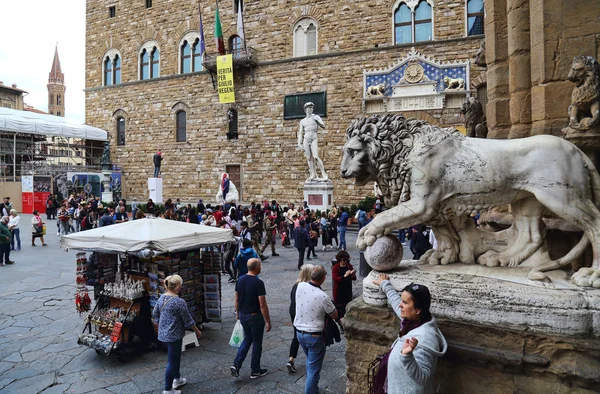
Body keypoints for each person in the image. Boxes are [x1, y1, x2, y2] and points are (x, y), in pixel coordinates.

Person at [371, 274, 447, 394]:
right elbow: (397, 303)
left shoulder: (427, 337)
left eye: (405, 303)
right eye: (402, 300)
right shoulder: (412, 321)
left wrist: (407, 357)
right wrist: (385, 284)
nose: (400, 305)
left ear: (418, 310)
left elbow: (423, 378)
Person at [152, 275, 202, 394]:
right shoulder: (179, 302)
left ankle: (177, 378)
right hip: (174, 335)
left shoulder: (161, 298)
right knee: (172, 361)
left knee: (175, 357)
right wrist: (197, 331)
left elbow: (155, 313)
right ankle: (168, 389)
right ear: (178, 287)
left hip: (163, 334)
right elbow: (188, 320)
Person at [294, 265, 338, 394]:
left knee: (311, 362)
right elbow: (334, 315)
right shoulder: (323, 297)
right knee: (314, 369)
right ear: (323, 278)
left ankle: (313, 388)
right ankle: (311, 391)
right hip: (314, 335)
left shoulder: (300, 286)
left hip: (299, 333)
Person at [230, 258, 271, 380]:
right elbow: (262, 304)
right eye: (260, 265)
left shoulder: (240, 280)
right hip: (254, 316)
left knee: (247, 339)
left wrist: (237, 312)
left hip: (243, 314)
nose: (261, 267)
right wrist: (268, 321)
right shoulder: (258, 283)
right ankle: (255, 369)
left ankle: (236, 364)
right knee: (257, 342)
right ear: (257, 267)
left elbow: (236, 299)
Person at [286, 263, 314, 374]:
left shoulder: (296, 285)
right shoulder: (308, 286)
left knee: (296, 335)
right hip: (301, 313)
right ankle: (310, 357)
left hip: (293, 312)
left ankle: (291, 359)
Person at [297, 102, 328, 180]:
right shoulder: (303, 121)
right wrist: (299, 143)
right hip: (306, 139)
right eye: (309, 108)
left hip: (314, 138)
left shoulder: (316, 117)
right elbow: (300, 133)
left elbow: (323, 126)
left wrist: (317, 121)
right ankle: (313, 174)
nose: (310, 109)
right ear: (305, 109)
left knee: (315, 156)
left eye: (311, 108)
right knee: (309, 158)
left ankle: (323, 174)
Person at [331, 251, 357, 318]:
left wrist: (353, 274)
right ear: (340, 259)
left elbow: (354, 278)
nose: (345, 261)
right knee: (340, 306)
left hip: (347, 288)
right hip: (339, 290)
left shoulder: (349, 266)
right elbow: (335, 278)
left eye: (347, 260)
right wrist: (344, 276)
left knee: (347, 304)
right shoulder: (336, 267)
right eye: (344, 260)